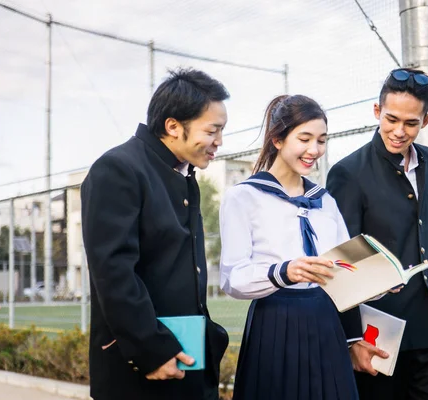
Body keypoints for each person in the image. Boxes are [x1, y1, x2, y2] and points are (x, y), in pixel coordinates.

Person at [81, 68, 229, 400]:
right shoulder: (118, 169)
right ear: (173, 126)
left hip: (185, 360)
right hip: (142, 369)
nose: (219, 141)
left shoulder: (184, 176)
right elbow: (114, 272)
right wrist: (151, 349)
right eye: (213, 130)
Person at [327, 68, 428, 399]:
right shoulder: (347, 173)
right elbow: (342, 265)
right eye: (391, 119)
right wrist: (352, 339)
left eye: (411, 123)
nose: (399, 131)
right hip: (379, 336)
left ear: (425, 121)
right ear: (377, 111)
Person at [219, 95, 364, 400]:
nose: (315, 150)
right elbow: (233, 278)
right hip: (274, 323)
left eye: (322, 140)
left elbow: (345, 267)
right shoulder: (242, 197)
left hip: (326, 321)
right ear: (277, 139)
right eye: (305, 138)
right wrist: (283, 272)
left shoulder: (325, 200)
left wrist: (379, 280)